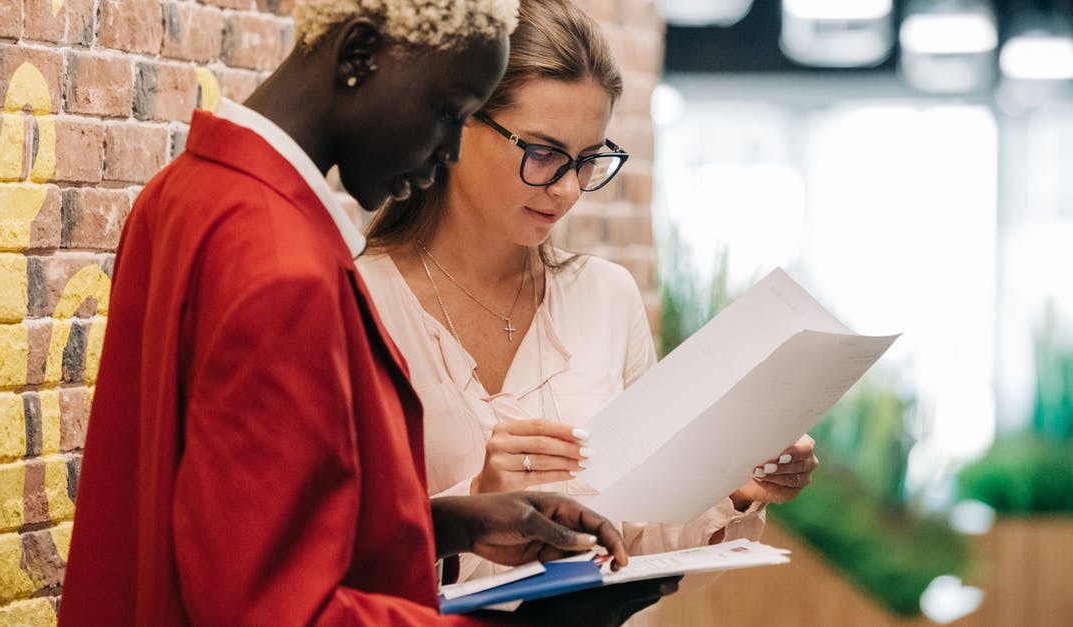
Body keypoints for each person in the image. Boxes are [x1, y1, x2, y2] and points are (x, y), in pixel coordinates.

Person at [58, 0, 679, 625]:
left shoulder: (184, 192)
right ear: (358, 56)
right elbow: (273, 607)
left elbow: (225, 520)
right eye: (446, 114)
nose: (447, 150)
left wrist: (446, 524)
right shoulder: (285, 262)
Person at [357, 0, 820, 584]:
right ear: (456, 123)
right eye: (544, 153)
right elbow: (327, 554)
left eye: (589, 159)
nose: (570, 189)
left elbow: (642, 536)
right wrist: (473, 507)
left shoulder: (605, 298)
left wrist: (734, 484)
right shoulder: (358, 303)